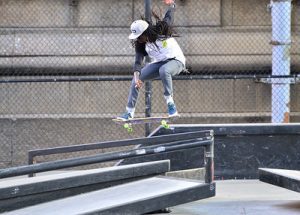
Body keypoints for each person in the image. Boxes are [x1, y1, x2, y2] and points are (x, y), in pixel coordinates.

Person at [118, 0, 185, 120]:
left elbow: (169, 16)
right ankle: (129, 112)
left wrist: (172, 5)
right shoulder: (140, 44)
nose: (138, 40)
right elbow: (138, 61)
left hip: (177, 61)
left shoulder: (161, 30)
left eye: (139, 37)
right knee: (136, 79)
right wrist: (137, 77)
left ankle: (170, 104)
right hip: (160, 63)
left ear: (145, 32)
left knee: (164, 70)